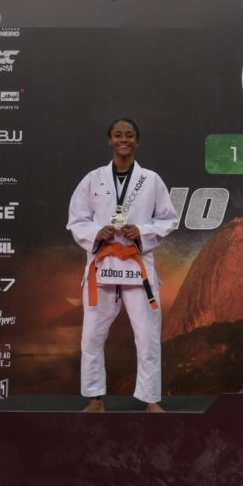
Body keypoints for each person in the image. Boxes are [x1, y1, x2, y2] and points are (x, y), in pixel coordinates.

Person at [67, 118, 178, 412]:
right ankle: (95, 399)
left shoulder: (151, 180)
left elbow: (168, 219)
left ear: (137, 141)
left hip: (136, 267)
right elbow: (76, 220)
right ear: (110, 140)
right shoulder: (93, 179)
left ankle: (151, 399)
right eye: (118, 135)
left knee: (148, 337)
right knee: (91, 337)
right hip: (102, 268)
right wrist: (96, 232)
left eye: (129, 135)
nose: (123, 140)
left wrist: (142, 231)